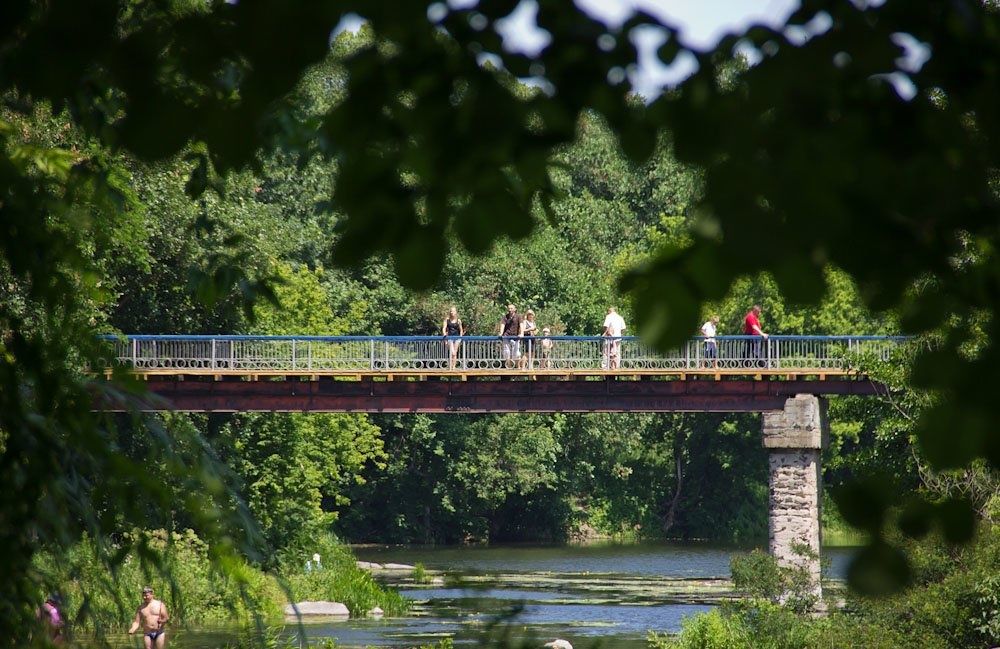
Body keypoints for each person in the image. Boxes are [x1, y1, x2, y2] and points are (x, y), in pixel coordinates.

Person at [498, 304, 522, 368]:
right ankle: (508, 365)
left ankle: (517, 366)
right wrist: (501, 333)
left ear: (514, 309)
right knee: (506, 351)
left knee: (516, 352)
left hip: (515, 336)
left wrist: (521, 333)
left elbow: (521, 325)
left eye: (511, 308)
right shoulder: (505, 317)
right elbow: (502, 324)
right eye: (509, 308)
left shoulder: (518, 316)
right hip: (507, 335)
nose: (510, 310)